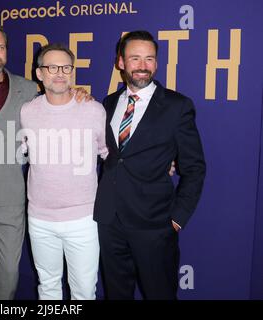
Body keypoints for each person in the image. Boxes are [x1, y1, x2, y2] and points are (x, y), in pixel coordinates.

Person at [0, 23, 89, 300]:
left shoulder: (28, 89)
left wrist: (80, 95)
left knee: (9, 274)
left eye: (0, 47)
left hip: (12, 197)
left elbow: (57, 106)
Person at [94, 30, 206, 300]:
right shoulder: (107, 103)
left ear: (156, 63)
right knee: (116, 294)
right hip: (109, 222)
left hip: (155, 225)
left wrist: (177, 219)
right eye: (135, 58)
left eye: (149, 59)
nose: (142, 66)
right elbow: (112, 157)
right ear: (121, 62)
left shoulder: (177, 106)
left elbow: (195, 168)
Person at [20, 44, 108, 300]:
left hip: (83, 219)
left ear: (72, 71)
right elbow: (21, 152)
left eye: (66, 67)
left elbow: (110, 154)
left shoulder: (94, 110)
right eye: (52, 67)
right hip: (39, 219)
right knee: (47, 288)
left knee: (83, 292)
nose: (60, 73)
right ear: (39, 73)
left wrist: (155, 164)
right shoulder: (28, 111)